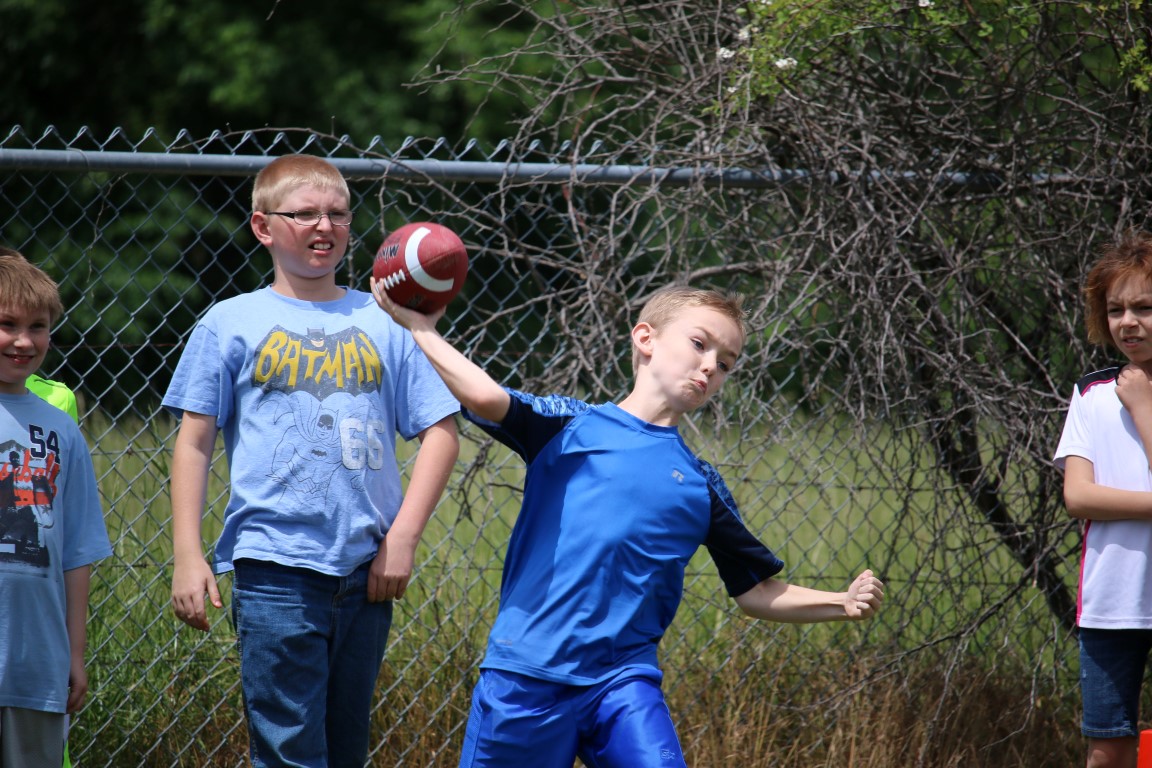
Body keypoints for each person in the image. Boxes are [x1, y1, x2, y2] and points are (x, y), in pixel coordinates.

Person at [372, 280, 885, 768]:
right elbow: (484, 398)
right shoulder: (569, 426)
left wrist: (839, 602)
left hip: (621, 684)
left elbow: (755, 591)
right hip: (526, 675)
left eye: (726, 363)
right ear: (645, 339)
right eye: (700, 344)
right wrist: (420, 328)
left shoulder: (699, 484)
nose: (711, 366)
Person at [164, 154, 460, 768]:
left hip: (366, 570)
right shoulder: (230, 322)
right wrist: (188, 556)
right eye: (304, 214)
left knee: (346, 749)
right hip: (275, 569)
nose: (324, 227)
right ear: (263, 226)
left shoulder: (386, 319)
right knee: (290, 751)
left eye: (338, 214)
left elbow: (441, 432)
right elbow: (193, 442)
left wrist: (402, 539)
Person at [0, 249, 112, 768]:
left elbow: (77, 551)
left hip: (36, 664)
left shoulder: (62, 429)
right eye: (7, 324)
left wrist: (74, 654)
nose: (24, 341)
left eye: (37, 327)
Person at [1055, 229, 1152, 768]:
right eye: (1116, 310)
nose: (1128, 322)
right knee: (1107, 749)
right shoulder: (1091, 393)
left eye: (1144, 307)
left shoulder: (1133, 398)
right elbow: (1078, 495)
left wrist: (1142, 406)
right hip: (1111, 607)